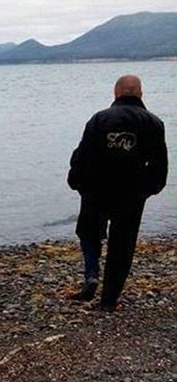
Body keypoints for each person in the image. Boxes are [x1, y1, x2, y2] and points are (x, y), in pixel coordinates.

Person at [67, 74, 168, 312]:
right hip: (132, 193)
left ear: (116, 93)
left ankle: (92, 274)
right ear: (140, 94)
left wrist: (76, 181)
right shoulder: (154, 123)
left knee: (88, 231)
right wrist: (150, 189)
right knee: (122, 245)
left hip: (96, 189)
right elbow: (160, 165)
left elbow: (83, 155)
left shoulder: (99, 119)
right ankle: (108, 301)